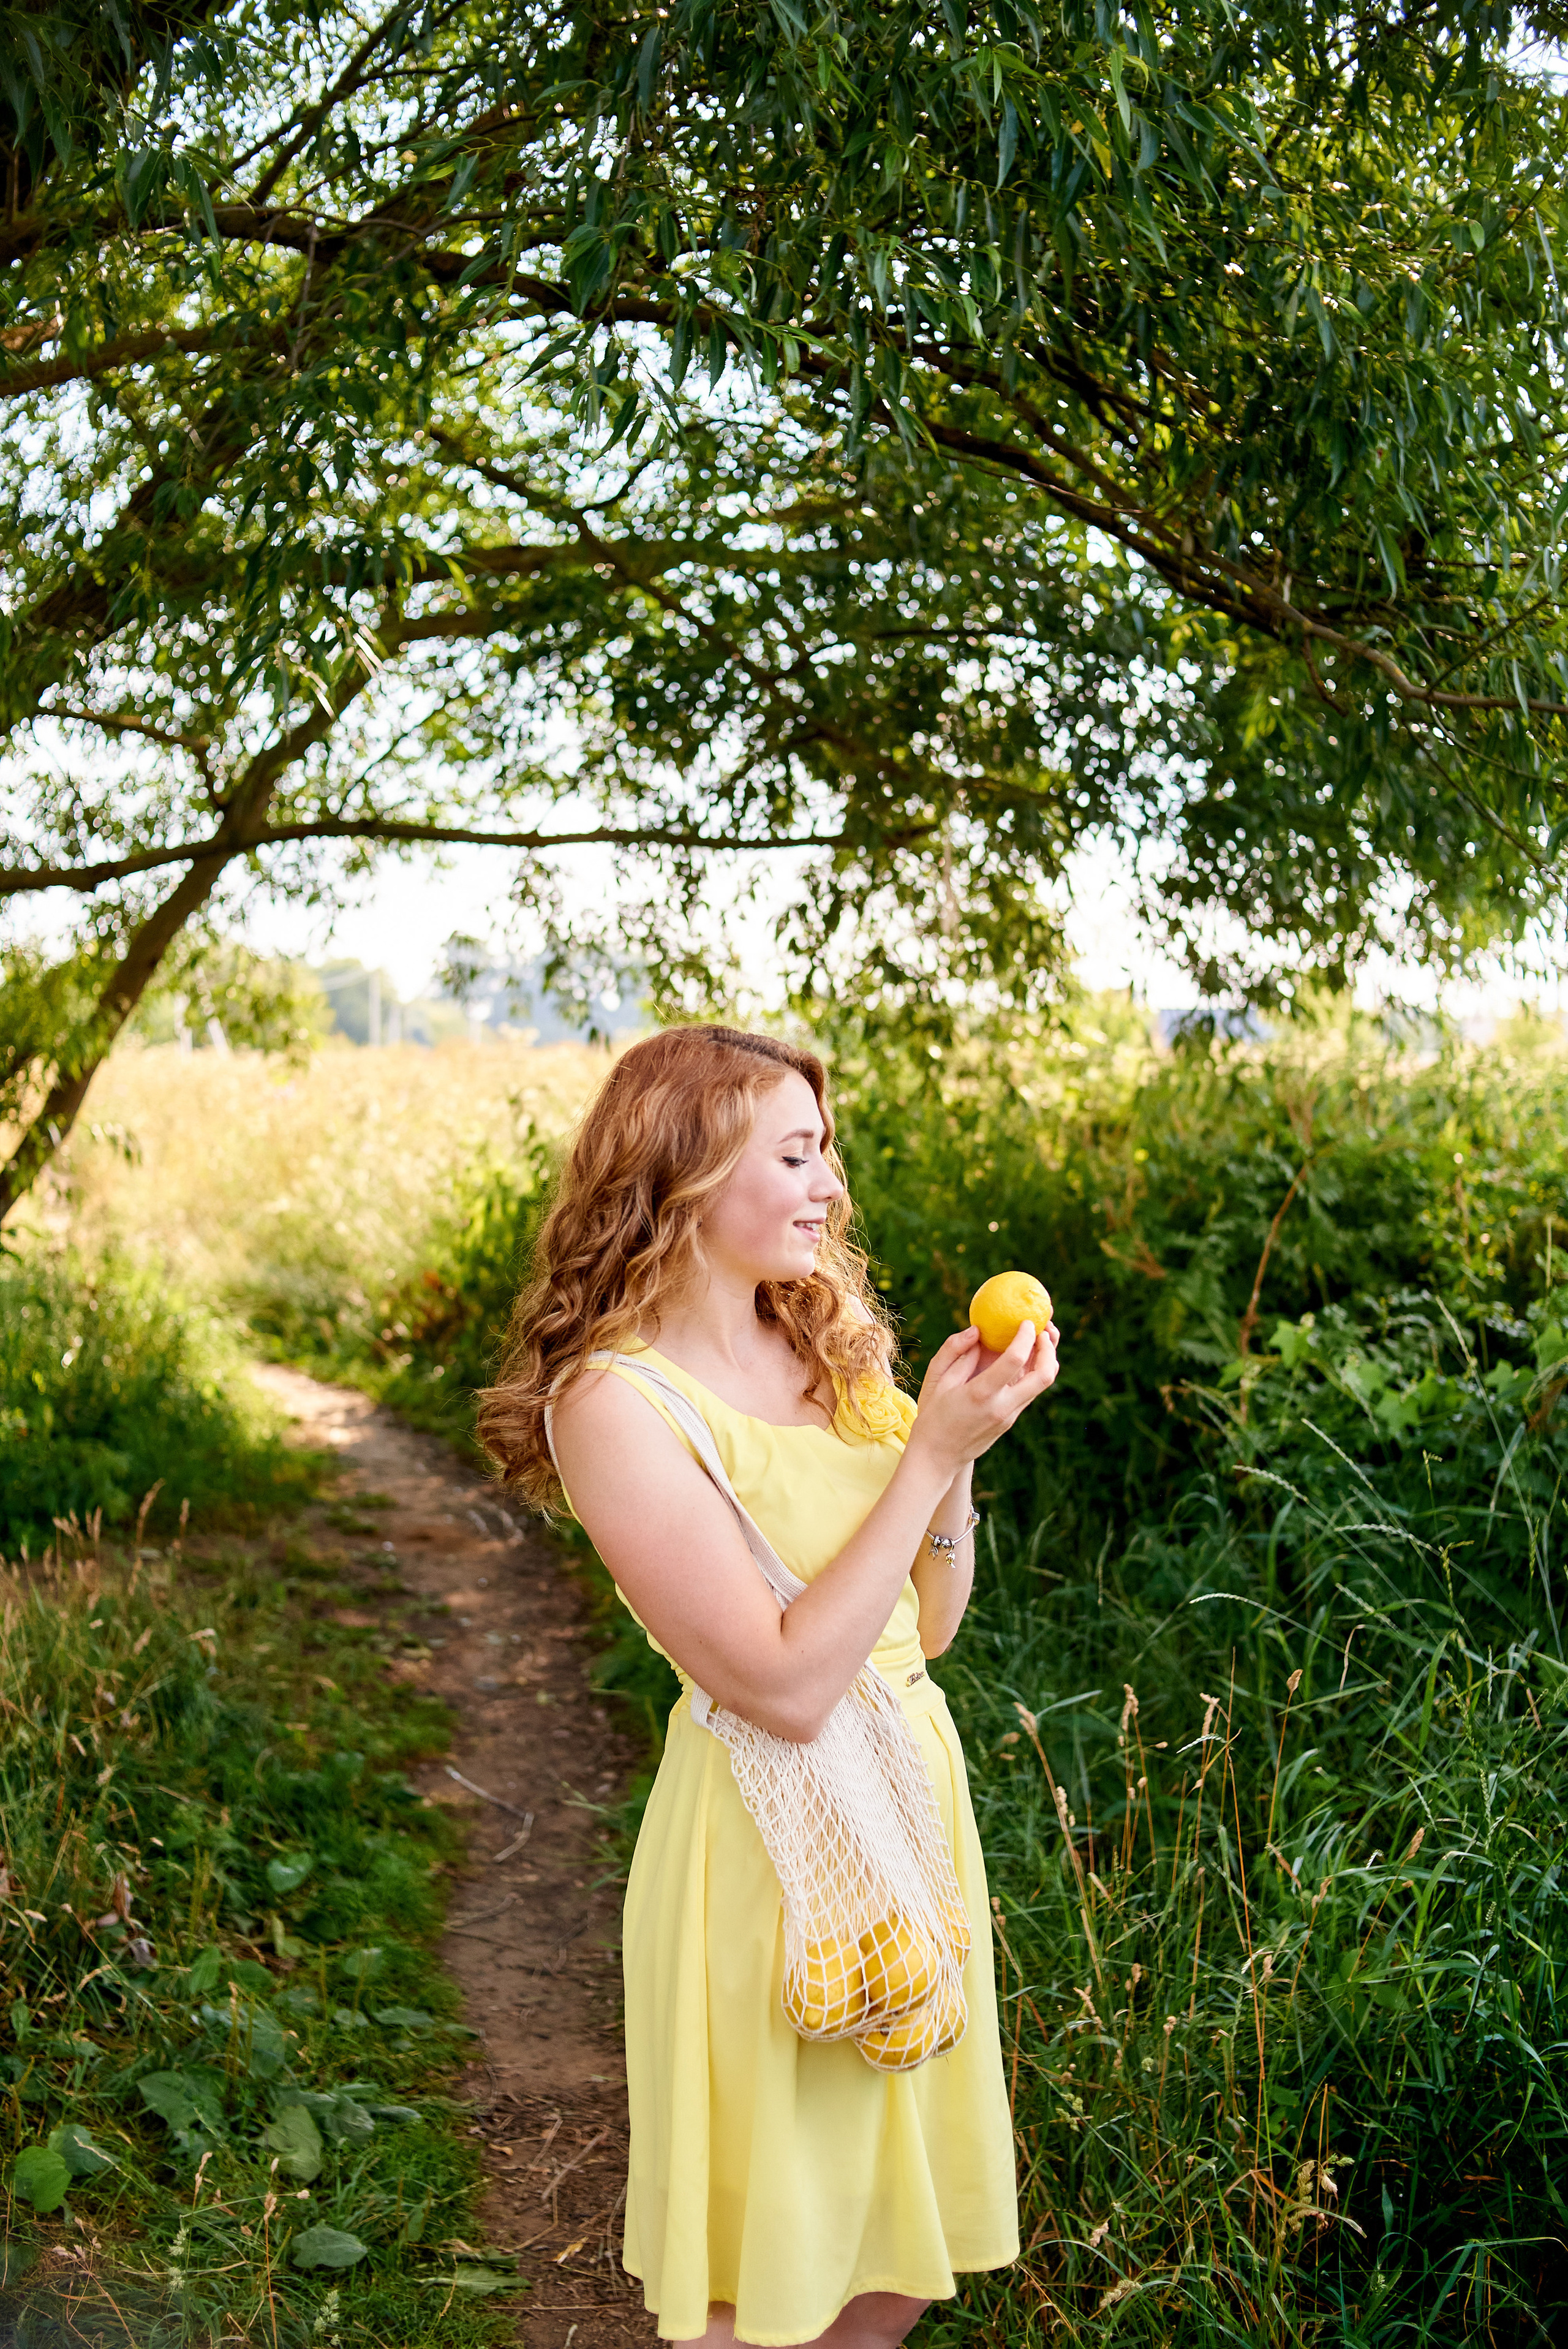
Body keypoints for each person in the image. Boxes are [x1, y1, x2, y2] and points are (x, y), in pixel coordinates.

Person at [477, 1026, 1060, 2347]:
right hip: (767, 1847)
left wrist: (957, 1455)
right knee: (769, 2263)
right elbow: (786, 1691)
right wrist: (925, 1465)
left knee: (892, 2249)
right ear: (685, 1177)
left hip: (909, 1810)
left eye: (825, 1154)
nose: (829, 1188)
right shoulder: (615, 1404)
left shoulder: (828, 1355)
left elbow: (926, 1624)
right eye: (795, 1155)